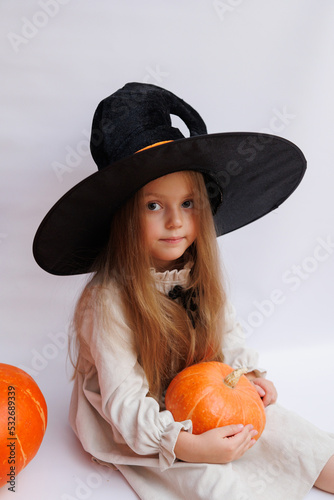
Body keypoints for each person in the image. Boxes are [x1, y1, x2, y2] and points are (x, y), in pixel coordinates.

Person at [33, 83, 334, 499]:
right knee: (210, 481)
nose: (175, 222)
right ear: (123, 218)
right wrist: (186, 444)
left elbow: (227, 335)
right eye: (154, 206)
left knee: (290, 433)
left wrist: (246, 377)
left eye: (188, 203)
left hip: (201, 390)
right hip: (142, 419)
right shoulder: (107, 301)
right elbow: (125, 401)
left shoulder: (199, 274)